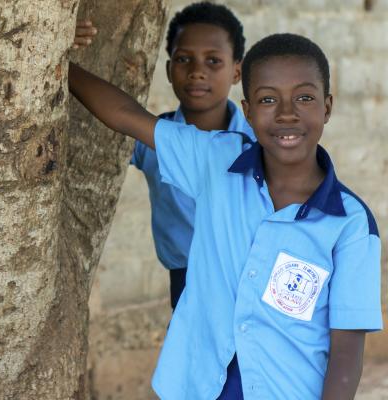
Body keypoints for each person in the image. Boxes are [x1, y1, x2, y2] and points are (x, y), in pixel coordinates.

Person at [68, 33, 381, 399]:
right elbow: (125, 116)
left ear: (327, 107)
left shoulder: (349, 223)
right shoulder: (217, 161)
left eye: (305, 98)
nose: (286, 113)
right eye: (267, 99)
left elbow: (347, 346)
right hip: (196, 388)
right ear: (247, 111)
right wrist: (58, 60)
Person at [129, 2, 254, 309]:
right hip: (185, 285)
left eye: (213, 61)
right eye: (184, 59)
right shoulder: (151, 139)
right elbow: (94, 141)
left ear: (237, 71)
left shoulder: (259, 143)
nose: (198, 72)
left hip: (254, 281)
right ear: (170, 70)